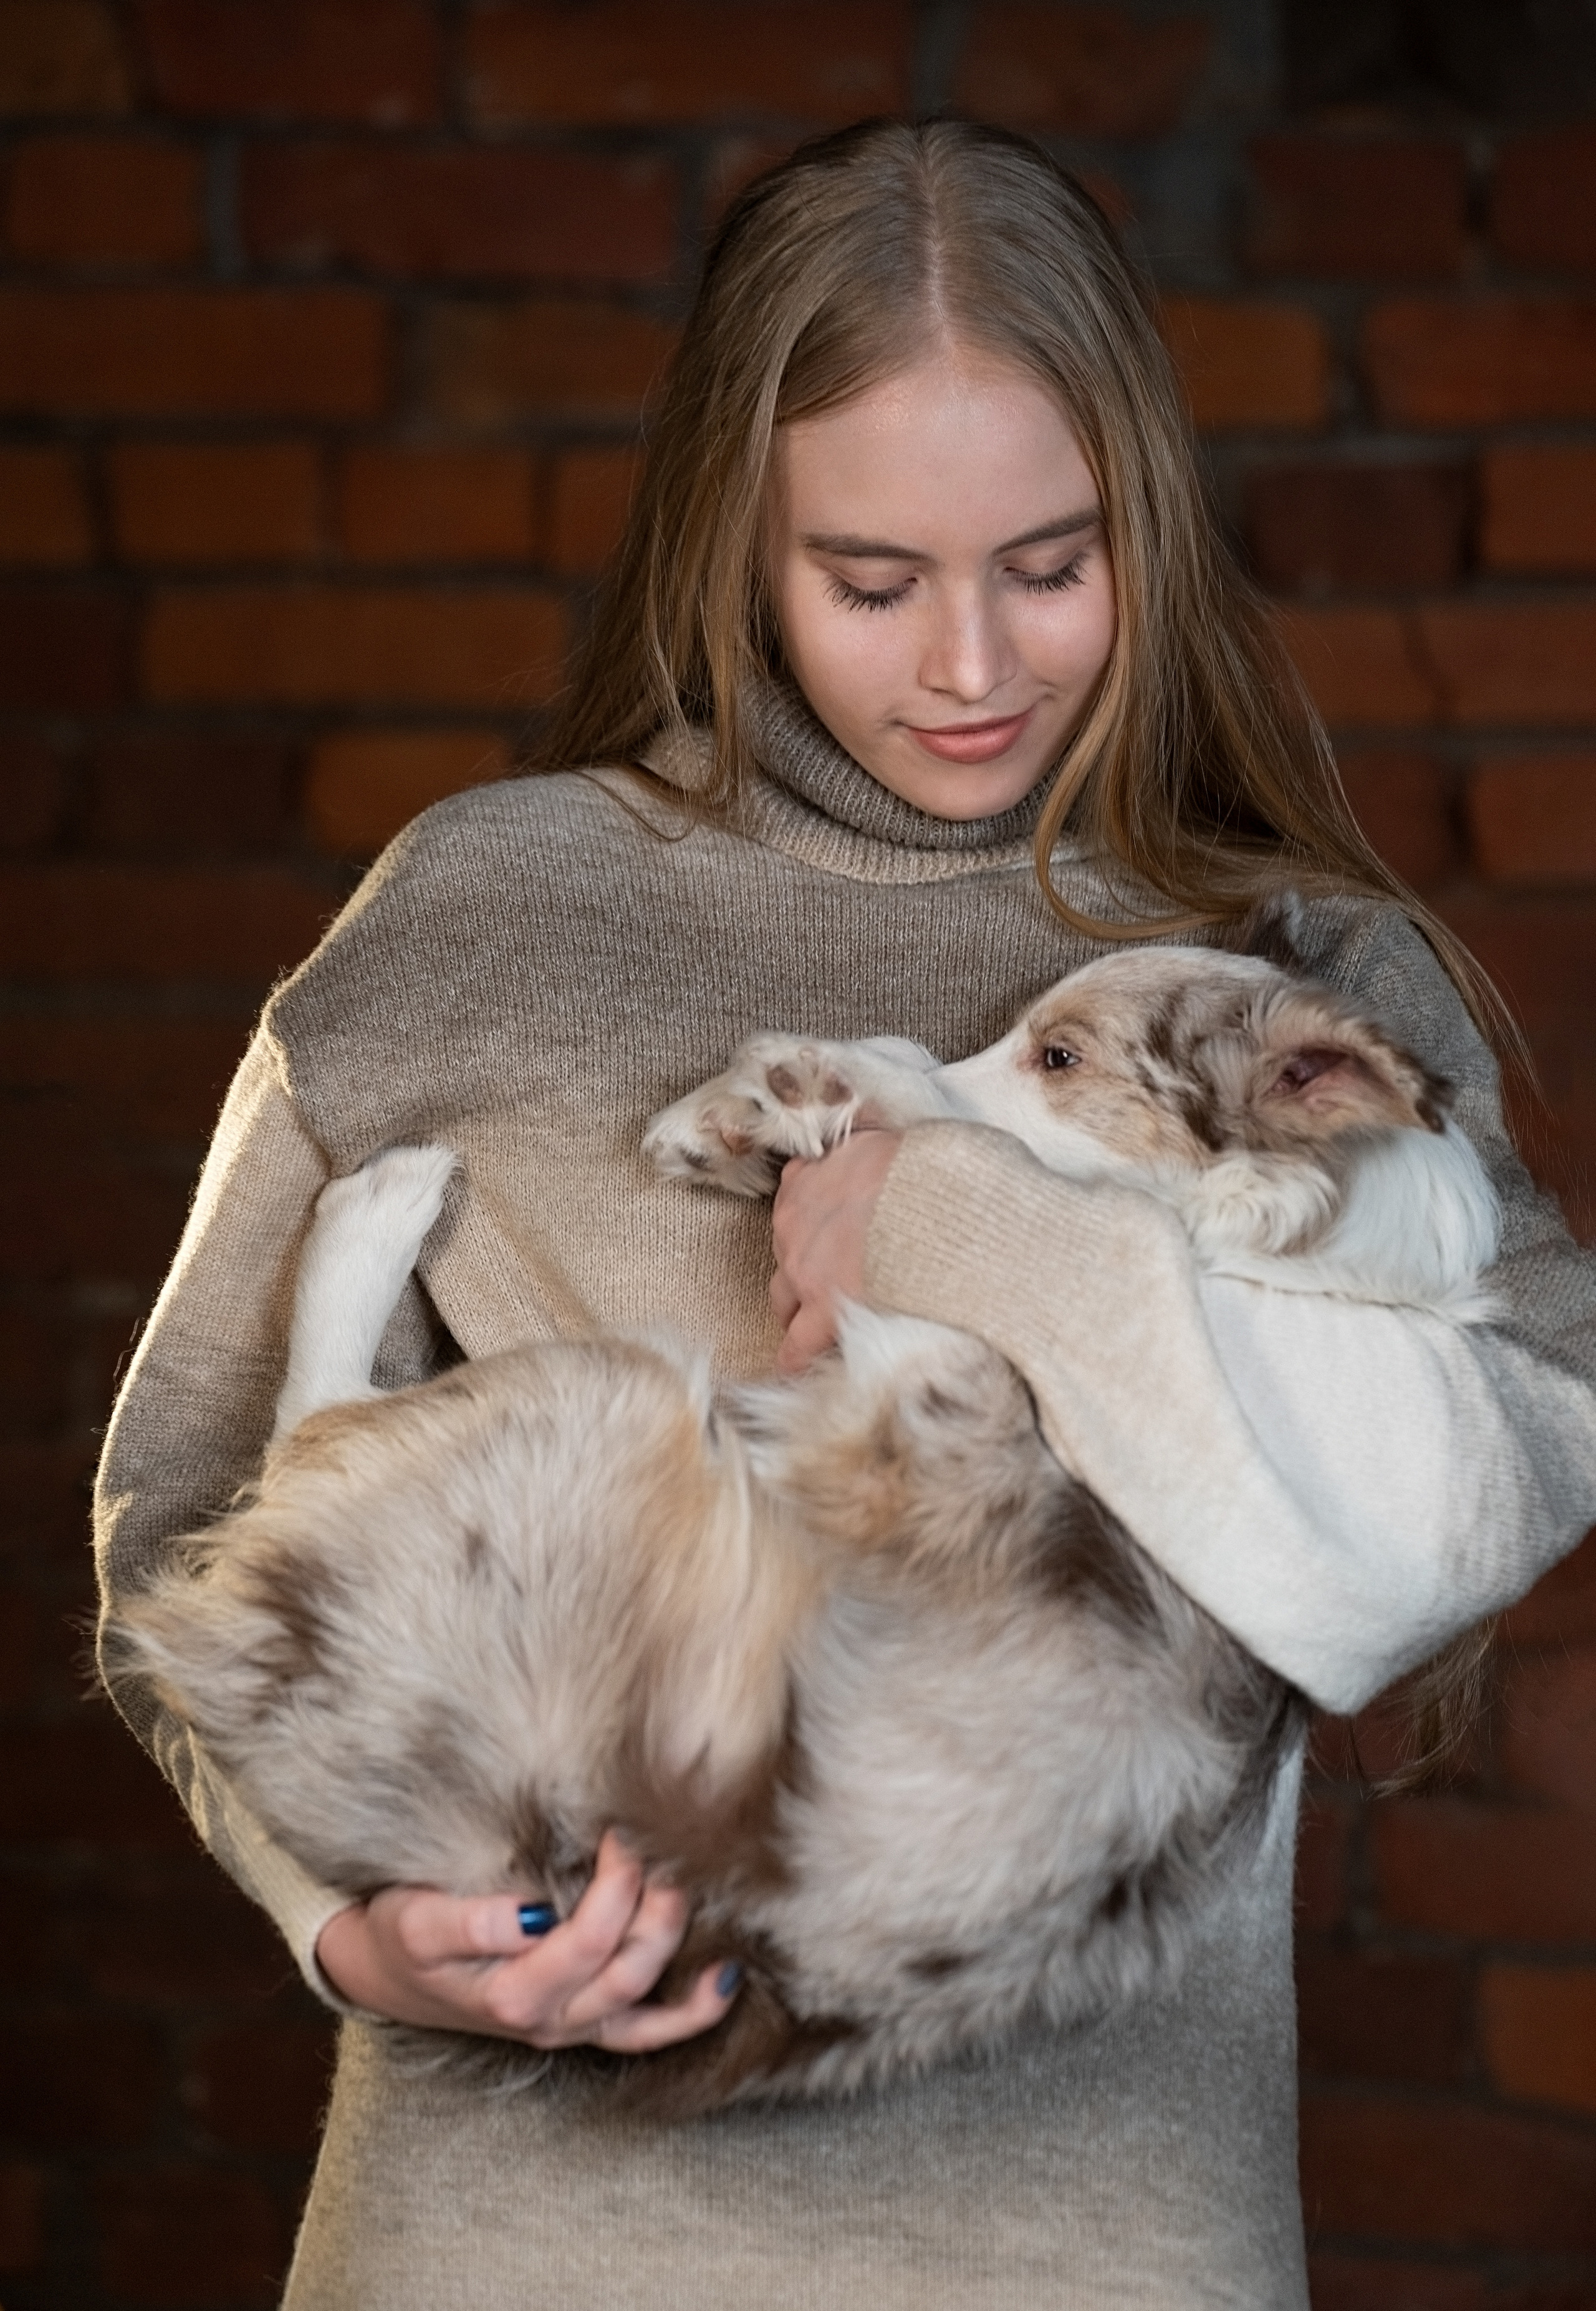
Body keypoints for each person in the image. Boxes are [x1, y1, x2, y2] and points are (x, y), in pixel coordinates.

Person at [95, 120, 1596, 2309]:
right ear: (739, 540)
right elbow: (182, 1516)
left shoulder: (1287, 977)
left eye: (1054, 565)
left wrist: (947, 1224)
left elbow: (1485, 1483)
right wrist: (336, 1923)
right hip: (518, 2249)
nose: (972, 664)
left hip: (1099, 2249)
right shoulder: (481, 912)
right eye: (873, 582)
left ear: (1147, 533)